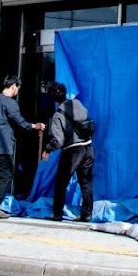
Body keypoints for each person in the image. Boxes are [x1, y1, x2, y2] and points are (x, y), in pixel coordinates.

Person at [0, 74, 41, 218]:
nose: (17, 91)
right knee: (6, 175)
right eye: (18, 88)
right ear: (14, 86)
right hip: (3, 146)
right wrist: (33, 126)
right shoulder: (9, 103)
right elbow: (19, 121)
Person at [42, 83, 94, 223]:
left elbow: (58, 140)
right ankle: (86, 214)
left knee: (61, 183)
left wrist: (47, 150)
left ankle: (57, 214)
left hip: (72, 150)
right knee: (86, 183)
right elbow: (85, 116)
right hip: (88, 147)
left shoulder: (58, 115)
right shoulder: (77, 103)